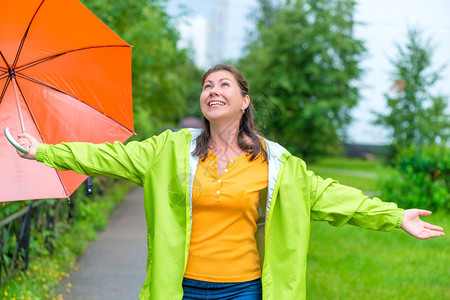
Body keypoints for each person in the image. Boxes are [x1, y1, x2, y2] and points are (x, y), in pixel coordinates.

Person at [15, 64, 444, 300]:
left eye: (224, 84)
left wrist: (393, 216)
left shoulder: (276, 163)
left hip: (245, 290)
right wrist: (42, 150)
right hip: (179, 288)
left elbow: (329, 196)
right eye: (206, 85)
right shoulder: (169, 150)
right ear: (202, 101)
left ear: (244, 100)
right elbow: (106, 156)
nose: (213, 90)